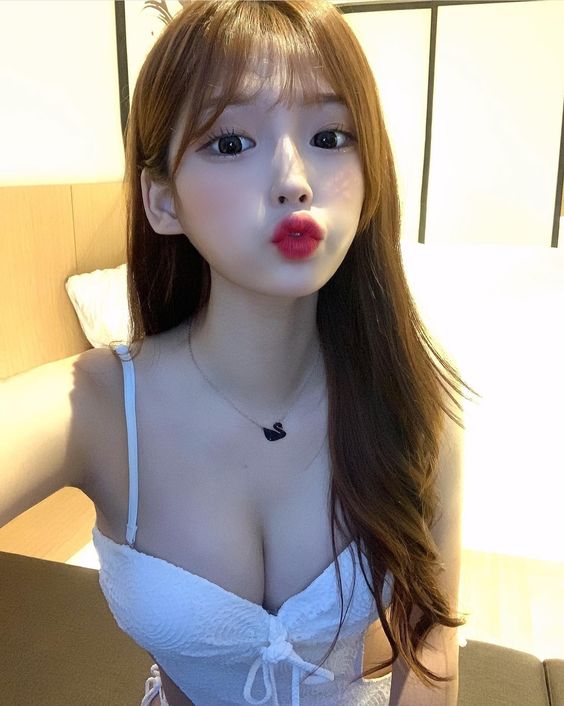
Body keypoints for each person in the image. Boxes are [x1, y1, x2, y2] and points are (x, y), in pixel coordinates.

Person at [1, 1, 475, 705]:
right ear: (163, 201)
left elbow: (430, 645)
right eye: (230, 142)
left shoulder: (416, 403)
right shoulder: (94, 410)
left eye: (330, 135)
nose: (293, 179)